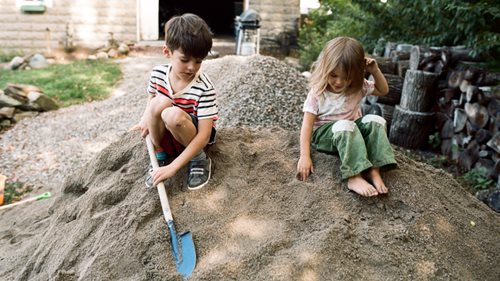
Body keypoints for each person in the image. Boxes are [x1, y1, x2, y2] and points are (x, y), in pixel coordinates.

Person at [296, 36, 397, 197]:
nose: (339, 82)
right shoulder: (318, 93)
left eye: (347, 77)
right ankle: (354, 176)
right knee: (345, 125)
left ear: (356, 74)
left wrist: (375, 71)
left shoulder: (358, 86)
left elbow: (383, 90)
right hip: (326, 135)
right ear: (325, 69)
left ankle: (374, 170)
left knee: (376, 120)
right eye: (334, 75)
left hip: (352, 130)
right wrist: (304, 155)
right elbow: (307, 126)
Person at [132, 13, 218, 190]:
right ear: (167, 52)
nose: (191, 67)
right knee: (158, 103)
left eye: (198, 61)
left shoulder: (204, 88)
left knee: (173, 115)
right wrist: (144, 120)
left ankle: (199, 160)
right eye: (185, 60)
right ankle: (160, 153)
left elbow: (204, 135)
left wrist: (174, 168)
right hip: (167, 135)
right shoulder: (157, 74)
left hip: (191, 136)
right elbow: (151, 102)